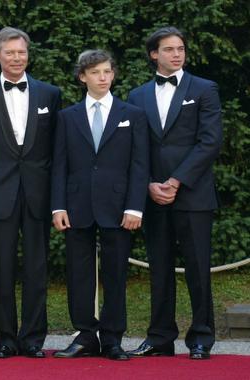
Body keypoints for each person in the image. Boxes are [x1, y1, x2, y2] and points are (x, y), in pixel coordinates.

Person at [126, 26, 222, 360]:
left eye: (180, 48)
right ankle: (160, 338)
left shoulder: (205, 89)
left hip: (193, 194)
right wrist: (150, 184)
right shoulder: (137, 96)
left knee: (198, 268)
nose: (176, 54)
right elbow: (136, 148)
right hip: (154, 196)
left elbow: (210, 141)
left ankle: (201, 338)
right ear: (154, 54)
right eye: (168, 49)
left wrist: (176, 181)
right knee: (159, 269)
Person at [0, 27, 61, 359]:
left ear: (28, 54)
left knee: (37, 269)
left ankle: (34, 338)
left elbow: (57, 151)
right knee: (2, 270)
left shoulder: (51, 94)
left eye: (21, 52)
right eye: (10, 53)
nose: (17, 58)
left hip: (38, 194)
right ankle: (5, 337)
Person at [51, 50, 149, 360]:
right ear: (83, 77)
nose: (103, 77)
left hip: (119, 207)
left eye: (107, 71)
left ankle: (112, 339)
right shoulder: (67, 116)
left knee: (116, 274)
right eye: (95, 72)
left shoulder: (132, 114)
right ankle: (84, 336)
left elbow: (139, 164)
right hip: (77, 205)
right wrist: (58, 206)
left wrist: (135, 207)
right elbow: (59, 165)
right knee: (79, 274)